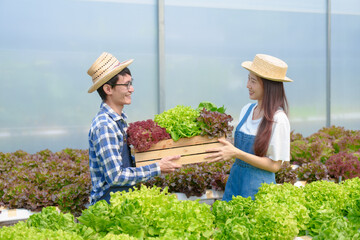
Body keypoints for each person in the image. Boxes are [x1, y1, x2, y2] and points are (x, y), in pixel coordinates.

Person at [87, 52, 181, 205]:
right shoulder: (105, 125)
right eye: (126, 85)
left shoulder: (118, 120)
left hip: (121, 202)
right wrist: (157, 167)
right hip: (108, 207)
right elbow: (116, 176)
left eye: (131, 83)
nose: (132, 89)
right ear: (108, 89)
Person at [205, 54, 292, 201]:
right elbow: (239, 148)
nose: (247, 85)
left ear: (268, 85)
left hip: (258, 189)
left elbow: (274, 166)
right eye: (248, 79)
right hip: (235, 182)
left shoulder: (279, 119)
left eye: (253, 81)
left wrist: (237, 153)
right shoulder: (247, 110)